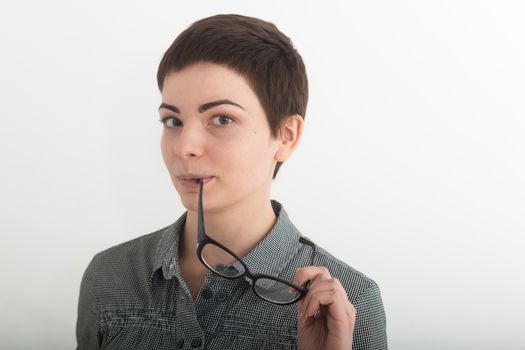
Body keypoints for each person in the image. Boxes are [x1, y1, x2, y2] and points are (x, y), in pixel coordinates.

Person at [76, 14, 387, 350]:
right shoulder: (108, 278)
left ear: (286, 135)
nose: (184, 146)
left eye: (221, 119)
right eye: (173, 120)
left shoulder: (350, 305)